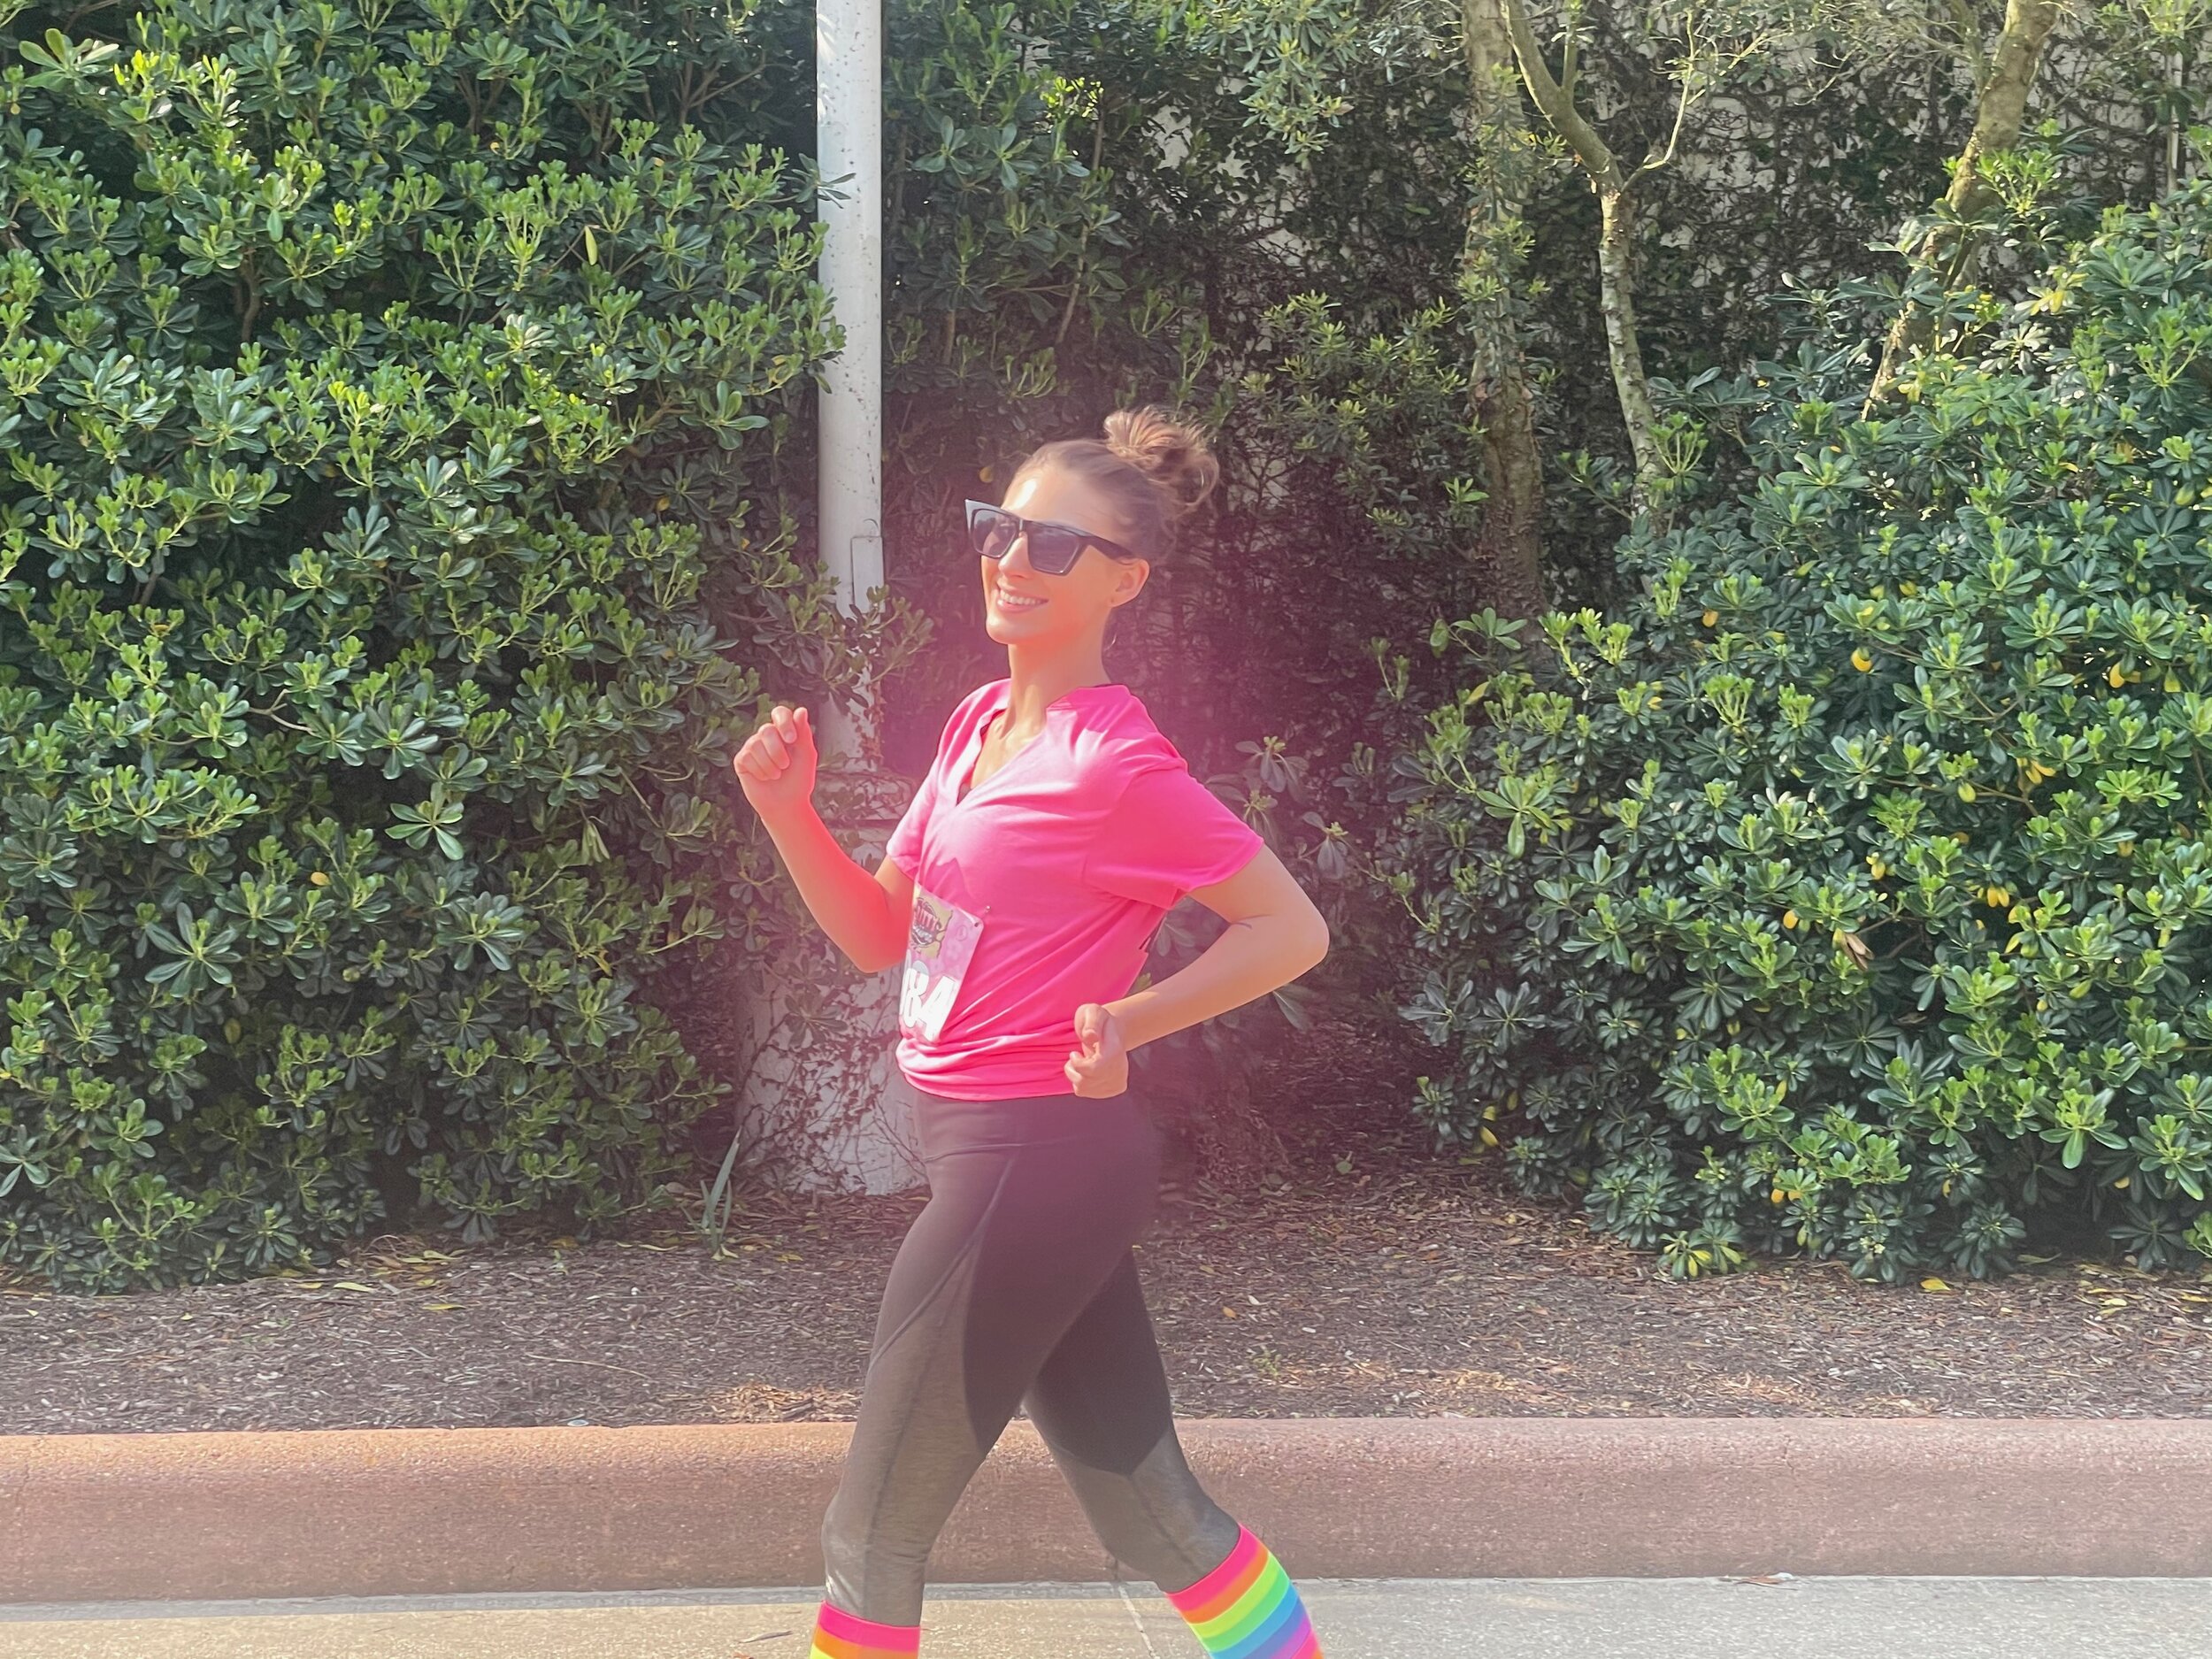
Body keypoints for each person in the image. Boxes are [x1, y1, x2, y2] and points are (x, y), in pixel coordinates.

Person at [732, 405, 1332, 1658]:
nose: (1011, 559)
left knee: (871, 1535)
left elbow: (1290, 928)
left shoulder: (1119, 768)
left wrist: (1134, 1017)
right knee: (1151, 1517)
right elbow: (880, 935)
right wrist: (787, 812)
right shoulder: (973, 727)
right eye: (998, 528)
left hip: (1036, 1154)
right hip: (1009, 1154)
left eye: (1054, 545)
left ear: (1125, 580)